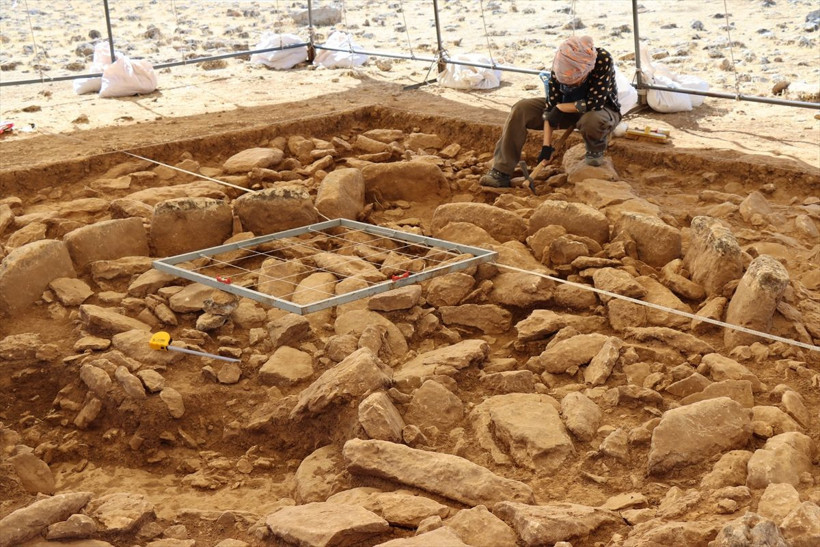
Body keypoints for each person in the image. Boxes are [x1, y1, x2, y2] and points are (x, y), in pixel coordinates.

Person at [480, 36, 621, 188]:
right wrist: (546, 147)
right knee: (521, 109)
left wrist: (560, 108)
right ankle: (501, 171)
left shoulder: (602, 59)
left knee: (591, 120)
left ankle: (595, 149)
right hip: (566, 109)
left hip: (600, 110)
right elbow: (550, 108)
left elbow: (595, 103)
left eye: (575, 81)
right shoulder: (561, 63)